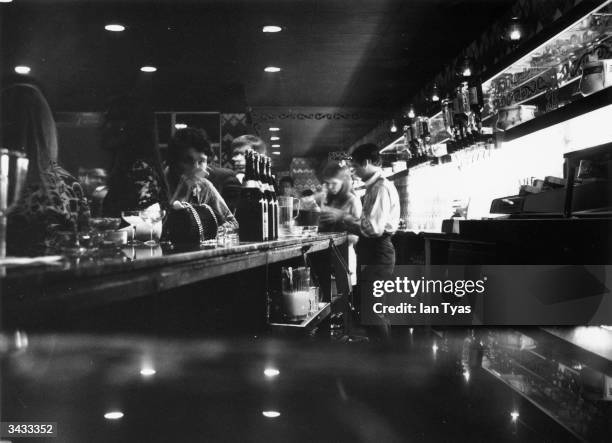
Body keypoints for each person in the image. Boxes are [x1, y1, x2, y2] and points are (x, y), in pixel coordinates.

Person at [1, 82, 90, 255]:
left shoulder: (6, 177)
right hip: (58, 277)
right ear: (46, 126)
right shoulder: (70, 184)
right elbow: (83, 241)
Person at [320, 143, 400, 323]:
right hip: (373, 252)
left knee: (372, 311)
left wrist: (342, 216)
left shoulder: (380, 187)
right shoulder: (374, 187)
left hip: (378, 252)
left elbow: (373, 228)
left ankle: (382, 351)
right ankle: (377, 349)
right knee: (368, 309)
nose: (353, 171)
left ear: (366, 162)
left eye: (355, 166)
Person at [101, 96, 169, 217]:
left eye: (113, 120)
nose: (105, 126)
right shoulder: (138, 168)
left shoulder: (140, 170)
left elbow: (141, 226)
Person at [167, 128, 238, 230]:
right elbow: (162, 228)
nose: (196, 167)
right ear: (174, 162)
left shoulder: (204, 186)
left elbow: (232, 223)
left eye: (201, 161)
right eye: (188, 160)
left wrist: (211, 231)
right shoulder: (159, 183)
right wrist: (183, 189)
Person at [319, 161, 362, 285]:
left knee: (345, 298)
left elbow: (356, 237)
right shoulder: (327, 199)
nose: (330, 187)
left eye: (334, 183)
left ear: (344, 182)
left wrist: (340, 221)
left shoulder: (352, 200)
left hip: (345, 256)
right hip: (326, 256)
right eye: (327, 183)